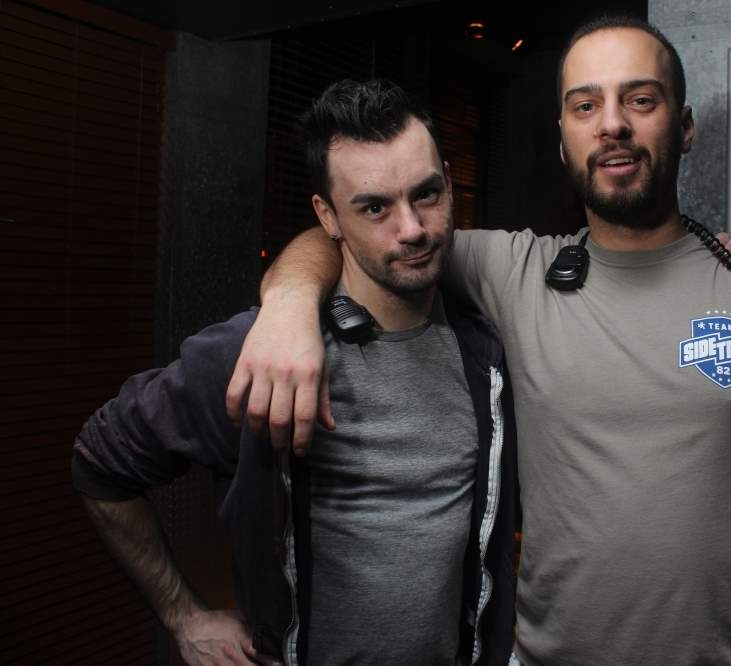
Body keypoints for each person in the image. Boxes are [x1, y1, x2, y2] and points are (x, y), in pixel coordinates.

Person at [228, 14, 731, 664]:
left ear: (683, 127)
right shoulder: (514, 273)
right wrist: (289, 304)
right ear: (564, 142)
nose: (612, 124)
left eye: (640, 99)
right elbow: (358, 231)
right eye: (585, 105)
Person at [72, 79, 518, 666]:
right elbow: (100, 464)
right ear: (327, 217)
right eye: (375, 207)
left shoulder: (484, 349)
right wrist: (184, 617)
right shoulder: (261, 353)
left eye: (427, 194)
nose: (411, 228)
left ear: (450, 185)